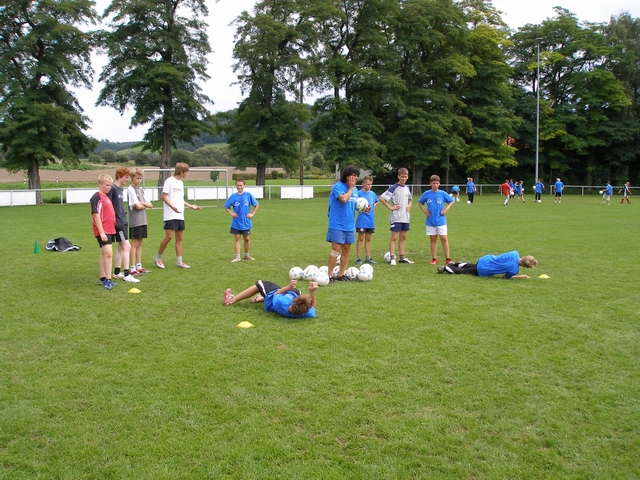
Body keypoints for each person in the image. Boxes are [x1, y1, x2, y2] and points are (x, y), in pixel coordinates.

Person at [155, 162, 202, 269]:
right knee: (169, 236)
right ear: (181, 172)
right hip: (170, 214)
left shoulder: (181, 183)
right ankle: (158, 258)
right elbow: (163, 196)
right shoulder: (169, 181)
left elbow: (180, 199)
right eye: (186, 172)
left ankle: (179, 261)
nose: (187, 174)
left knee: (179, 237)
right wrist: (172, 207)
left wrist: (190, 206)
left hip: (180, 214)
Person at [326, 165, 364, 282]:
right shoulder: (338, 186)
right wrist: (351, 188)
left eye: (357, 176)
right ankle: (329, 275)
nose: (355, 178)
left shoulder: (355, 190)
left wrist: (363, 208)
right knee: (336, 249)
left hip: (349, 225)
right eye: (353, 175)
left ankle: (341, 274)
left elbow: (354, 205)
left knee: (346, 249)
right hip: (337, 223)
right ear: (347, 176)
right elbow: (343, 199)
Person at [223, 278, 318, 318]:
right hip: (289, 296)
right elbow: (313, 308)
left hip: (271, 300)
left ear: (293, 301)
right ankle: (261, 298)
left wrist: (288, 287)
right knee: (296, 291)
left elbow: (277, 293)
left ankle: (230, 300)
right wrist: (312, 292)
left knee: (260, 284)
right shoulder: (306, 313)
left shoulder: (281, 302)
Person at [107, 166, 139, 283]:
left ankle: (116, 272)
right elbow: (108, 206)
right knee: (127, 247)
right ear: (119, 176)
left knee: (121, 247)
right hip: (118, 223)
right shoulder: (113, 189)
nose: (127, 179)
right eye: (126, 177)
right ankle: (126, 273)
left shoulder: (121, 189)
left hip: (123, 221)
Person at [379, 167, 413, 265]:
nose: (404, 178)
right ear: (398, 176)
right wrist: (391, 207)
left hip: (405, 217)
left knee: (403, 237)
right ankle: (392, 257)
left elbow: (410, 199)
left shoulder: (407, 188)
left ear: (407, 177)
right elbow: (382, 198)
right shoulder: (394, 187)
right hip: (396, 217)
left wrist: (409, 205)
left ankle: (402, 257)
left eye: (405, 177)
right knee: (394, 237)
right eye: (402, 176)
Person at [418, 175, 454, 265]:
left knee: (444, 238)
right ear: (430, 184)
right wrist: (424, 211)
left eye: (437, 183)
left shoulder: (442, 193)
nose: (435, 185)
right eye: (433, 183)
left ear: (439, 184)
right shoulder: (427, 194)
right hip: (430, 221)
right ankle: (434, 258)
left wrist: (446, 209)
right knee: (433, 239)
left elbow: (451, 201)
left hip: (441, 220)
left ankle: (448, 258)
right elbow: (420, 202)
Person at [90, 174, 117, 290]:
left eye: (110, 185)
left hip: (109, 230)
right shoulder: (97, 197)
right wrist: (101, 232)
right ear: (100, 184)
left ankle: (103, 278)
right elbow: (96, 215)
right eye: (107, 185)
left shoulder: (106, 197)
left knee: (104, 254)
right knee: (108, 254)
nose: (109, 187)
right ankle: (108, 280)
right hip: (103, 230)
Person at [224, 177, 260, 262]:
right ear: (235, 186)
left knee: (246, 239)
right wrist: (231, 213)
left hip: (245, 222)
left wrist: (252, 214)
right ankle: (237, 257)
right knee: (237, 238)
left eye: (241, 185)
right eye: (238, 185)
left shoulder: (248, 195)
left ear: (244, 185)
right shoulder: (233, 197)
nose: (239, 187)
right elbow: (226, 206)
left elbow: (256, 204)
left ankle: (247, 255)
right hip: (236, 222)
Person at [127, 167, 153, 274]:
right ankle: (132, 267)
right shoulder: (130, 189)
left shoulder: (141, 190)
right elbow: (137, 206)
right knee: (134, 243)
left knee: (140, 243)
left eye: (140, 178)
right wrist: (143, 204)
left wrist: (142, 203)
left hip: (143, 220)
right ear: (132, 178)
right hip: (135, 221)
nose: (138, 180)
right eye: (137, 178)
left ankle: (139, 265)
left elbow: (150, 205)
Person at [438, 251, 538, 279]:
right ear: (525, 266)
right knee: (467, 271)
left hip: (485, 259)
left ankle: (456, 264)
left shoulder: (514, 253)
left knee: (474, 266)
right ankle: (446, 268)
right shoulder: (514, 270)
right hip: (485, 269)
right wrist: (521, 276)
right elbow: (504, 277)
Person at [355, 176, 379, 265]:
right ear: (363, 184)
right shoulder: (358, 193)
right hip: (362, 220)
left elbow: (377, 200)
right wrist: (360, 208)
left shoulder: (372, 193)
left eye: (371, 184)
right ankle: (358, 258)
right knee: (360, 238)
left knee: (368, 239)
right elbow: (354, 204)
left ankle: (368, 257)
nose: (369, 186)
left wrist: (374, 205)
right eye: (368, 184)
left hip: (370, 220)